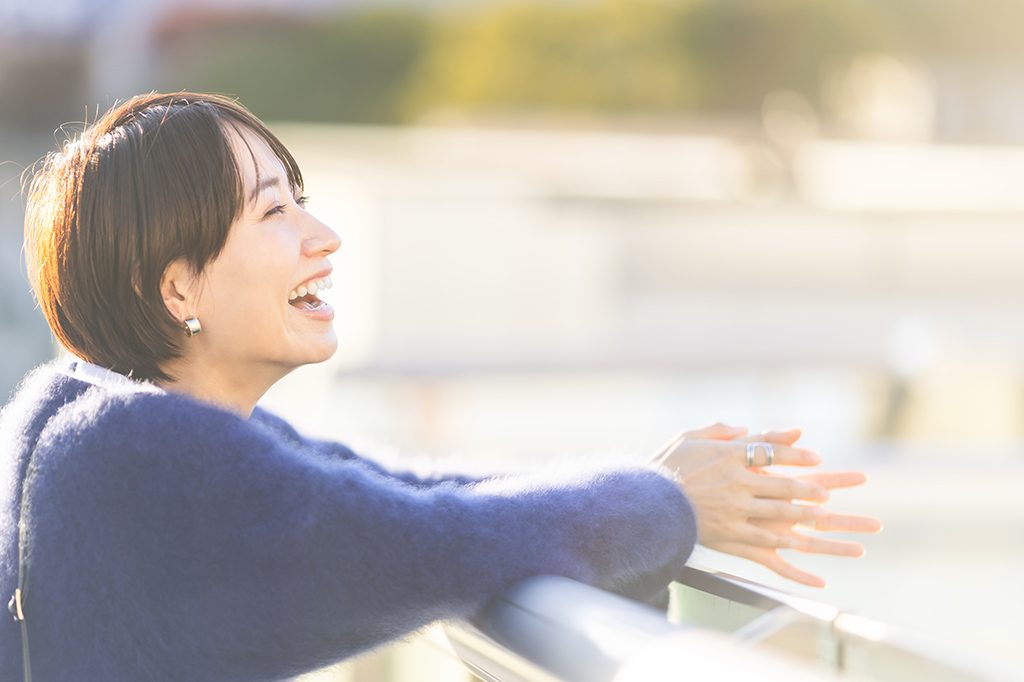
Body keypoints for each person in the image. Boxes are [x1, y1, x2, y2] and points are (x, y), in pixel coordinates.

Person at [0, 92, 880, 681]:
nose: (325, 236)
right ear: (177, 288)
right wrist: (664, 502)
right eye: (274, 211)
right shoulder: (123, 451)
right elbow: (421, 541)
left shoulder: (111, 429)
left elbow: (410, 494)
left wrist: (657, 487)